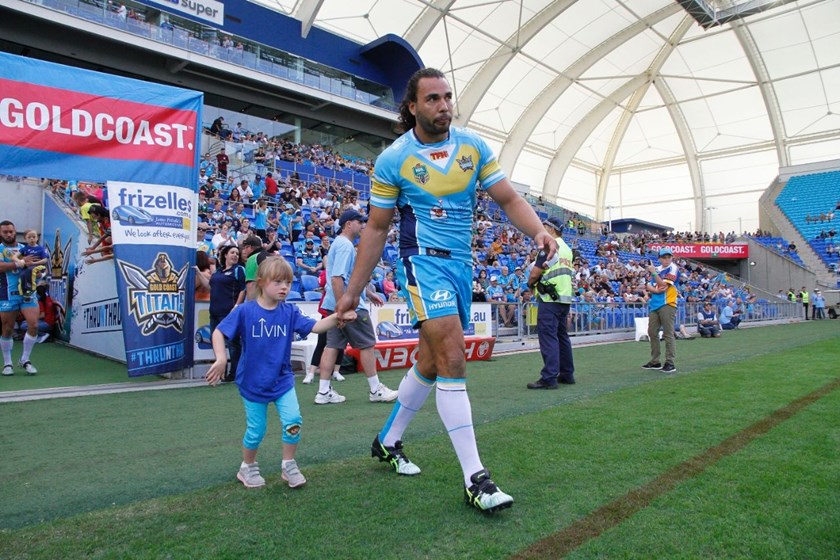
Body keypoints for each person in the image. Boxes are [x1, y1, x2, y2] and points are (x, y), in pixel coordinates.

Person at [334, 68, 556, 513]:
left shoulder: (473, 147)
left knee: (431, 361)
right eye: (432, 99)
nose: (443, 105)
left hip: (461, 267)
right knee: (454, 356)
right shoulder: (393, 159)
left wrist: (538, 231)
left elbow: (509, 198)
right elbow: (377, 229)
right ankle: (476, 479)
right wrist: (352, 292)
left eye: (447, 97)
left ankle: (388, 441)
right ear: (412, 107)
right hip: (422, 265)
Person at [205, 258, 342, 489]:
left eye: (288, 282)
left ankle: (288, 465)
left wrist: (338, 317)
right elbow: (219, 333)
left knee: (293, 421)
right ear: (261, 282)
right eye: (278, 281)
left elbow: (316, 327)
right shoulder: (245, 311)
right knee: (256, 431)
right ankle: (247, 467)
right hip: (252, 383)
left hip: (282, 381)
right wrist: (221, 358)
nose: (284, 287)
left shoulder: (289, 311)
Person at [314, 209, 397, 405]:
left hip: (337, 304)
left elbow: (347, 278)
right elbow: (337, 278)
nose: (362, 225)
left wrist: (368, 293)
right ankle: (376, 390)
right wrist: (344, 308)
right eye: (359, 222)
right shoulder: (345, 246)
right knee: (367, 345)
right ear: (348, 224)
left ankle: (323, 392)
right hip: (349, 306)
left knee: (332, 346)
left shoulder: (340, 244)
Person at [526, 216, 575, 389]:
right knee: (562, 336)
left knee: (548, 337)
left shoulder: (549, 246)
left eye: (544, 226)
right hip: (564, 298)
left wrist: (530, 284)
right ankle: (567, 373)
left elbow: (535, 273)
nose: (542, 228)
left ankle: (549, 377)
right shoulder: (568, 249)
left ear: (552, 229)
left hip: (549, 298)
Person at [1, 221, 40, 375]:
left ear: (15, 231)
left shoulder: (27, 247)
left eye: (11, 231)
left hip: (28, 292)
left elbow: (37, 265)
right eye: (5, 232)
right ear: (0, 233)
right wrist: (21, 263)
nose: (9, 234)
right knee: (7, 329)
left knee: (34, 324)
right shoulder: (0, 249)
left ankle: (25, 359)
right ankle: (7, 363)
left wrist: (38, 272)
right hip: (7, 293)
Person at [209, 245, 247, 382]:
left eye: (237, 253)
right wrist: (198, 273)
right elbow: (210, 286)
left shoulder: (239, 270)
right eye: (232, 253)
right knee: (216, 343)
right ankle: (220, 372)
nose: (235, 255)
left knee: (233, 343)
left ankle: (234, 373)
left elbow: (244, 289)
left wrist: (237, 306)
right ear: (225, 255)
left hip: (229, 313)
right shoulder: (218, 272)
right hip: (214, 312)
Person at [642, 248, 679, 373]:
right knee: (652, 332)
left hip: (667, 303)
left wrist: (653, 275)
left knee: (668, 333)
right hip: (655, 304)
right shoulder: (657, 269)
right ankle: (655, 361)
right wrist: (654, 289)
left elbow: (662, 286)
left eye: (668, 257)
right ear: (659, 258)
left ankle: (670, 362)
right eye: (664, 257)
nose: (666, 259)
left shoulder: (672, 268)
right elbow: (650, 286)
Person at [14, 230, 49, 302]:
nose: (32, 239)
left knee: (30, 271)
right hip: (28, 268)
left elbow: (45, 260)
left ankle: (31, 289)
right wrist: (20, 261)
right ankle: (25, 292)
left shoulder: (41, 249)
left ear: (37, 238)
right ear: (25, 239)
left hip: (38, 267)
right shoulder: (25, 248)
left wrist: (33, 263)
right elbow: (14, 257)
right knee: (22, 274)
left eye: (34, 237)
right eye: (29, 237)